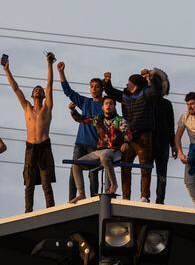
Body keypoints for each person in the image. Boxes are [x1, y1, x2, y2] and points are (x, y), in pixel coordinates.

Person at [3, 52, 56, 213]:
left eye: (40, 90)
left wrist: (49, 64)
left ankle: (50, 210)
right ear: (33, 94)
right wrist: (7, 70)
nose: (39, 91)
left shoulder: (47, 107)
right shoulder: (27, 107)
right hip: (30, 147)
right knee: (29, 182)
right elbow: (15, 88)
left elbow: (49, 84)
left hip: (44, 147)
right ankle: (28, 211)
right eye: (36, 90)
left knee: (46, 183)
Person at [103, 70, 161, 202]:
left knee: (145, 166)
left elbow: (156, 89)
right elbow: (111, 91)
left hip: (144, 135)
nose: (127, 85)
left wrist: (151, 78)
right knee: (125, 165)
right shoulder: (125, 95)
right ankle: (126, 197)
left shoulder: (145, 93)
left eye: (129, 83)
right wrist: (107, 81)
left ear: (135, 84)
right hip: (128, 136)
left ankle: (144, 196)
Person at [68, 97, 132, 201]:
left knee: (104, 156)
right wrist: (73, 110)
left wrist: (126, 142)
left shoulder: (120, 120)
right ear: (102, 107)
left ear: (114, 107)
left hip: (115, 151)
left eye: (111, 103)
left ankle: (113, 184)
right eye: (106, 103)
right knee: (76, 163)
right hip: (100, 151)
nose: (108, 105)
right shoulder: (98, 119)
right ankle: (82, 193)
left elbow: (128, 134)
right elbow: (83, 120)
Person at [57, 61, 103, 200]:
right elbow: (68, 91)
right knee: (74, 170)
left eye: (96, 86)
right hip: (80, 143)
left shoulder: (106, 105)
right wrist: (61, 72)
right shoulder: (86, 102)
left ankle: (94, 201)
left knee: (93, 173)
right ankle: (72, 199)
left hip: (95, 145)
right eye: (91, 86)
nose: (93, 89)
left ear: (102, 89)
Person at [142, 68, 177, 204]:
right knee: (147, 171)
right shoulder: (146, 101)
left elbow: (170, 125)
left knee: (161, 173)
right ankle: (146, 196)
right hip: (149, 142)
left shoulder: (167, 104)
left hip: (162, 143)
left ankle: (159, 200)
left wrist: (173, 144)